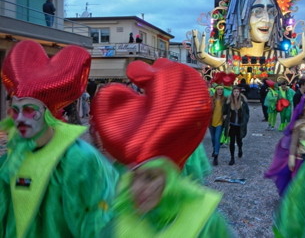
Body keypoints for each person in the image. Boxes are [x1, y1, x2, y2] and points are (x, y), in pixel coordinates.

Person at [90, 58, 233, 237]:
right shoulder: (116, 222)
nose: (138, 188)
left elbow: (197, 174)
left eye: (150, 177)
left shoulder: (206, 224)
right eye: (134, 177)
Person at [0, 40, 118, 238]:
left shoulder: (80, 160)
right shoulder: (10, 159)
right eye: (15, 110)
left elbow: (100, 222)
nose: (19, 118)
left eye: (29, 110)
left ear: (48, 115)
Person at [193, 0, 305, 73]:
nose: (267, 19)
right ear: (239, 15)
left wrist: (298, 59)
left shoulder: (280, 55)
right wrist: (211, 61)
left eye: (271, 12)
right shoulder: (222, 54)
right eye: (258, 12)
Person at [266, 94, 305, 196]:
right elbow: (293, 143)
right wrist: (291, 157)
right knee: (300, 182)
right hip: (302, 158)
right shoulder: (299, 125)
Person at [223, 86, 249, 165]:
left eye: (237, 91)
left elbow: (247, 113)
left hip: (240, 124)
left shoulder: (243, 101)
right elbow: (224, 111)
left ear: (239, 92)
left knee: (239, 140)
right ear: (232, 92)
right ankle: (232, 158)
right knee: (231, 141)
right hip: (232, 124)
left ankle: (240, 148)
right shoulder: (229, 101)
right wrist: (225, 118)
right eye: (235, 91)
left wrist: (245, 121)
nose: (236, 93)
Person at [209, 85, 226, 166]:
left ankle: (216, 156)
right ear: (216, 90)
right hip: (211, 122)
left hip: (220, 122)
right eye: (218, 89)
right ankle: (214, 148)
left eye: (221, 89)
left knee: (217, 138)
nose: (220, 91)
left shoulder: (225, 100)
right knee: (213, 138)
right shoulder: (212, 99)